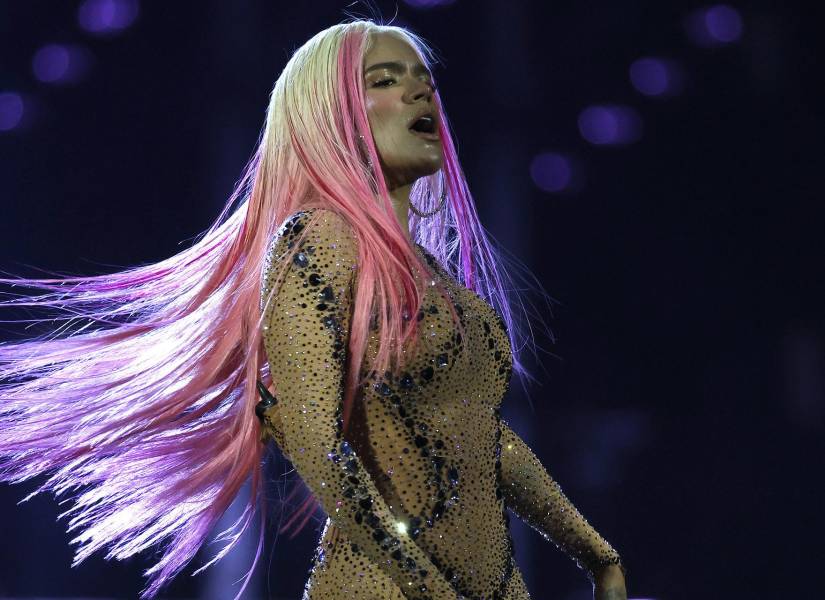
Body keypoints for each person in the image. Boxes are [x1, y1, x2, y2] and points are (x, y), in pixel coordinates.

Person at [0, 19, 627, 600]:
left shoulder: (445, 286)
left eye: (424, 82)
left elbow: (482, 436)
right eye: (385, 81)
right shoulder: (317, 241)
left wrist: (596, 553)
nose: (418, 94)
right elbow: (311, 435)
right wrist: (426, 582)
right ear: (333, 118)